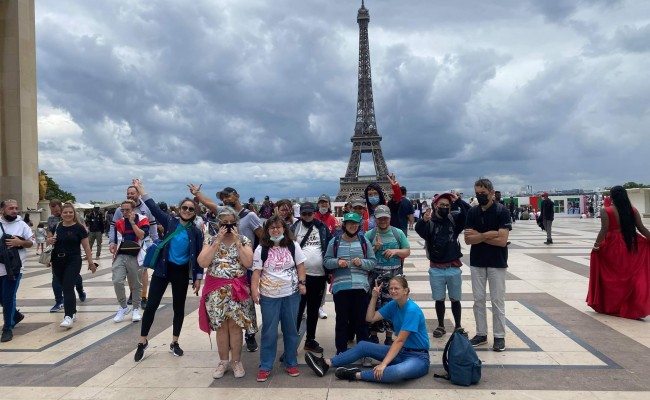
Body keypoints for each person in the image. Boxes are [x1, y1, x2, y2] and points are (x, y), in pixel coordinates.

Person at [305, 276, 429, 383]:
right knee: (364, 345)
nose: (393, 291)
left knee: (397, 372)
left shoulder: (412, 310)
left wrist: (383, 364)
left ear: (406, 291)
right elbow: (370, 318)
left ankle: (355, 375)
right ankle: (325, 364)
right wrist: (374, 297)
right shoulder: (394, 305)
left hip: (418, 357)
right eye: (391, 288)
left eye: (397, 288)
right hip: (401, 352)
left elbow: (400, 340)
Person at [132, 180, 203, 362]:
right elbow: (152, 206)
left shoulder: (195, 232)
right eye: (185, 208)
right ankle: (142, 341)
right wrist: (140, 189)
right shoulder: (169, 221)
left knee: (178, 308)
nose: (187, 211)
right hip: (163, 270)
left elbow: (199, 256)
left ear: (195, 213)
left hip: (180, 272)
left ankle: (175, 342)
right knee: (152, 306)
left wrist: (198, 277)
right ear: (179, 209)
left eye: (191, 209)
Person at [189, 184, 265, 352]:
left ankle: (249, 336)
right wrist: (197, 193)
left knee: (242, 311)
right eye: (222, 197)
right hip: (219, 283)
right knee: (223, 325)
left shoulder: (250, 215)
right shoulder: (223, 212)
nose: (225, 199)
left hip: (245, 261)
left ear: (236, 196)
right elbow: (208, 203)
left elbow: (262, 236)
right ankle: (225, 355)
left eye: (227, 196)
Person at [197, 206, 257, 378]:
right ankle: (223, 361)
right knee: (221, 326)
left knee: (236, 326)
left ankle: (236, 361)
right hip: (216, 290)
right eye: (225, 223)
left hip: (237, 290)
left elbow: (248, 263)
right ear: (218, 224)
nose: (229, 226)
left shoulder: (244, 240)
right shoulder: (210, 240)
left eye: (232, 223)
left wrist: (237, 240)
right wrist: (217, 241)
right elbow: (203, 262)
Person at [251, 215, 307, 382]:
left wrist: (302, 283)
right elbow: (256, 272)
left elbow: (300, 265)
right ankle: (266, 365)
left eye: (278, 227)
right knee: (269, 331)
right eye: (272, 228)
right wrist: (255, 289)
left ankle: (290, 362)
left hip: (291, 294)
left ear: (284, 229)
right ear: (267, 231)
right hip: (269, 296)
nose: (275, 230)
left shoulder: (292, 245)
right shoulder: (262, 249)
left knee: (290, 330)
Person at [587, 186, 650, 319]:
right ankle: (628, 305)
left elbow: (604, 229)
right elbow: (641, 228)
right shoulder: (632, 210)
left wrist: (596, 246)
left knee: (611, 278)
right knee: (628, 277)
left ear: (612, 196)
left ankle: (612, 305)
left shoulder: (606, 210)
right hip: (630, 243)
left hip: (612, 245)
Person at [464, 178, 511, 352]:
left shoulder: (502, 211)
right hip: (477, 261)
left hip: (497, 262)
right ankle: (481, 333)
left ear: (492, 193)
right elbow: (468, 239)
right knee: (478, 300)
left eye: (483, 193)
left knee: (497, 300)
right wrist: (490, 235)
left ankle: (499, 336)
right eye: (477, 193)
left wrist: (480, 236)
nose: (480, 196)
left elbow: (503, 241)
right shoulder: (472, 212)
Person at [416, 193, 468, 339]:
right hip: (436, 267)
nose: (445, 207)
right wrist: (423, 220)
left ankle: (458, 325)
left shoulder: (453, 220)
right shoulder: (430, 224)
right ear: (435, 206)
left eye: (447, 205)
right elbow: (419, 229)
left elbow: (467, 215)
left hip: (453, 266)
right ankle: (441, 325)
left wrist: (458, 201)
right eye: (442, 205)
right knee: (439, 299)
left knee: (455, 298)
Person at [324, 212, 376, 355]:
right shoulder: (334, 242)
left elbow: (372, 262)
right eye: (349, 223)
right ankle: (341, 351)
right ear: (344, 225)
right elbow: (326, 262)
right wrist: (337, 262)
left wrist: (362, 263)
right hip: (341, 287)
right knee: (341, 320)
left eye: (355, 224)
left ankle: (364, 352)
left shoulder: (364, 241)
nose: (352, 226)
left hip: (360, 287)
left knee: (361, 321)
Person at [365, 205, 410, 345]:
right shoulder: (369, 235)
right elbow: (364, 255)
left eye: (385, 218)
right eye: (380, 219)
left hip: (394, 275)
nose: (383, 221)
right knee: (374, 304)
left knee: (393, 304)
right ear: (375, 219)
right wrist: (374, 248)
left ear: (390, 218)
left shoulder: (398, 233)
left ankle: (389, 336)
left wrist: (395, 251)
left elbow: (407, 251)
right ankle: (373, 334)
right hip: (376, 276)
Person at [47, 203, 97, 329]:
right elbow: (48, 239)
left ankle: (68, 316)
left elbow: (86, 246)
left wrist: (91, 262)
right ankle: (72, 312)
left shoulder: (79, 228)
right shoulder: (56, 226)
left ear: (74, 214)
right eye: (65, 212)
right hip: (57, 260)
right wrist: (49, 240)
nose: (68, 214)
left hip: (73, 260)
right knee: (64, 285)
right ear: (61, 214)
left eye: (70, 212)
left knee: (68, 287)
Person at [291, 203, 332, 353]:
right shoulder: (294, 228)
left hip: (319, 275)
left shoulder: (322, 227)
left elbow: (329, 245)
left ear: (314, 213)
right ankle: (292, 342)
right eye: (304, 214)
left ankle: (310, 339)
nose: (307, 216)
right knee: (297, 310)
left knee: (314, 309)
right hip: (301, 276)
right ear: (300, 214)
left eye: (309, 213)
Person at [109, 185, 159, 310]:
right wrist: (112, 241)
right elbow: (113, 226)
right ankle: (133, 293)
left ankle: (143, 296)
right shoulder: (120, 210)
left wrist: (156, 240)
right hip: (126, 244)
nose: (130, 195)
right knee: (130, 272)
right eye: (128, 193)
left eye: (132, 193)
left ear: (138, 194)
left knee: (143, 271)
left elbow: (152, 225)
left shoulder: (146, 208)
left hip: (144, 241)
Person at [0, 200, 34, 342]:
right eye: (11, 208)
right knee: (2, 298)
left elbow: (32, 242)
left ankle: (8, 327)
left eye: (16, 208)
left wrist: (20, 243)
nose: (14, 211)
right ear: (2, 209)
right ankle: (15, 315)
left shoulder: (22, 225)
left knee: (8, 298)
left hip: (14, 268)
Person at [111, 199, 149, 323]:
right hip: (122, 254)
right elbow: (118, 238)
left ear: (133, 210)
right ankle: (123, 307)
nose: (125, 212)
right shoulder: (119, 222)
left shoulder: (143, 219)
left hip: (136, 254)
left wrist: (133, 223)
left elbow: (142, 235)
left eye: (127, 210)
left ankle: (136, 309)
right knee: (117, 280)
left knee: (136, 284)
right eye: (123, 210)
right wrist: (113, 244)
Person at [47, 199, 86, 312]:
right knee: (56, 278)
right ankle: (59, 301)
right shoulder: (51, 219)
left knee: (75, 277)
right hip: (57, 254)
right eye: (52, 211)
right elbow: (49, 235)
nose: (55, 213)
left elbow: (84, 232)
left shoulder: (75, 215)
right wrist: (50, 240)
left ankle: (80, 289)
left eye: (57, 211)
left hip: (72, 253)